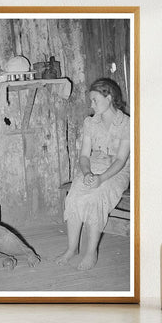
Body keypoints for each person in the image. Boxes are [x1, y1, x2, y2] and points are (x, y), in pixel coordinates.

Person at [56, 78, 130, 271]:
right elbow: (83, 155)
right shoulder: (90, 122)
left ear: (109, 97)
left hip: (116, 171)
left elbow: (121, 160)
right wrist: (87, 172)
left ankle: (91, 252)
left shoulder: (127, 124)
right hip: (93, 166)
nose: (91, 104)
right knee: (74, 196)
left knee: (95, 198)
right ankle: (72, 248)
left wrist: (101, 179)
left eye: (95, 100)